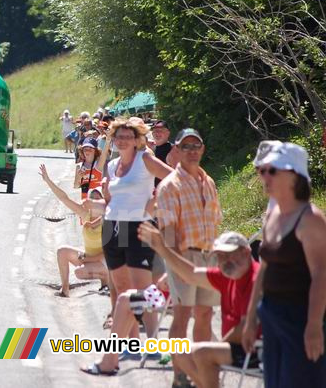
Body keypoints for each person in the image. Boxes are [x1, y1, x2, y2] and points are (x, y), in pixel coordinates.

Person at [242, 141, 326, 387]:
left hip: (299, 316)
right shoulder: (273, 214)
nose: (265, 176)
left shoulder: (310, 219)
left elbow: (321, 275)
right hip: (271, 314)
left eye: (273, 170)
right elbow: (263, 270)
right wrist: (250, 321)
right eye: (262, 170)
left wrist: (313, 324)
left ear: (295, 176)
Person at [139, 224, 261, 388]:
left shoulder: (255, 278)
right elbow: (191, 274)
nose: (225, 261)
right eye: (220, 256)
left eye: (229, 255)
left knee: (202, 352)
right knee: (180, 352)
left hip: (256, 349)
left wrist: (216, 346)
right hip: (236, 348)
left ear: (246, 252)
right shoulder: (226, 274)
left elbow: (245, 327)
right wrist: (162, 249)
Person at [98, 117, 173, 369]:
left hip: (138, 228)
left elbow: (172, 178)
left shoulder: (145, 160)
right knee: (120, 289)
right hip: (112, 228)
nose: (122, 140)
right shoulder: (111, 165)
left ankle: (153, 346)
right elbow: (111, 198)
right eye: (118, 136)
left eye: (127, 137)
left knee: (144, 290)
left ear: (137, 139)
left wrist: (154, 202)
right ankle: (131, 345)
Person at [154, 128, 222, 386]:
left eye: (196, 145)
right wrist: (172, 264)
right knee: (181, 316)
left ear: (202, 149)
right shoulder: (170, 185)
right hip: (183, 257)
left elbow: (214, 223)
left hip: (209, 256)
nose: (192, 151)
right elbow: (168, 231)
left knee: (205, 314)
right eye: (186, 146)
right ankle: (180, 374)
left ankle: (202, 371)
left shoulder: (209, 181)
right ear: (177, 150)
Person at [40, 164, 108, 298]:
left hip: (103, 261)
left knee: (79, 273)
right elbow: (64, 198)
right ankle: (65, 289)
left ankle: (106, 283)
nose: (94, 200)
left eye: (97, 198)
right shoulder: (85, 214)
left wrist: (85, 259)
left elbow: (106, 254)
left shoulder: (109, 219)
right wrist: (48, 180)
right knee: (62, 251)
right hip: (88, 258)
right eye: (91, 197)